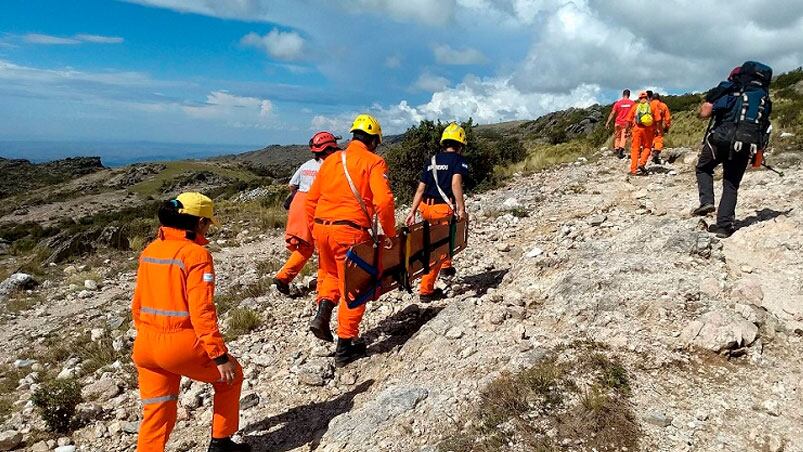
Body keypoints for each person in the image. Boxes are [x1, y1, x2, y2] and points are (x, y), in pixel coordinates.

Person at [132, 192, 250, 452]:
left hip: (145, 346)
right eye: (207, 222)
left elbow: (137, 304)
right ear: (199, 224)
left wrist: (147, 334)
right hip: (180, 345)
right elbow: (202, 310)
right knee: (230, 377)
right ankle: (221, 443)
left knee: (157, 413)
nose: (208, 228)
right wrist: (219, 356)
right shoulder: (195, 254)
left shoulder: (150, 250)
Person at [305, 114, 396, 367]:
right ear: (375, 140)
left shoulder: (332, 160)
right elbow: (384, 201)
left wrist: (315, 230)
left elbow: (311, 200)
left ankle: (323, 312)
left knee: (331, 274)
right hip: (350, 232)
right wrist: (389, 234)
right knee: (358, 286)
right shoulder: (374, 162)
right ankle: (345, 346)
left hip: (322, 229)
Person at [692, 61, 773, 238]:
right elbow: (765, 128)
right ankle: (723, 226)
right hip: (746, 144)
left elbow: (705, 113)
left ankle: (707, 201)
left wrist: (708, 105)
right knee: (731, 184)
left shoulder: (731, 90)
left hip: (721, 139)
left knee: (703, 168)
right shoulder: (763, 99)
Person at [404, 123, 469, 302]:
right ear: (460, 144)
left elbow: (420, 189)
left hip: (426, 208)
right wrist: (461, 208)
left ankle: (447, 266)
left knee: (438, 240)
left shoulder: (432, 160)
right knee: (438, 249)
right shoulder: (458, 161)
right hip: (442, 209)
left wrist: (412, 211)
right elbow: (456, 184)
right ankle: (426, 290)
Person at [272, 132, 339, 294]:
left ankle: (283, 277)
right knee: (324, 245)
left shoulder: (307, 164)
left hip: (298, 204)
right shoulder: (330, 166)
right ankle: (325, 283)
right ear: (329, 149)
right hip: (315, 206)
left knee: (304, 247)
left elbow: (292, 185)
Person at [626, 91, 660, 175]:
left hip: (637, 129)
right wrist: (657, 129)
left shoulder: (635, 107)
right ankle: (642, 163)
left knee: (635, 149)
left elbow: (628, 120)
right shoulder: (652, 106)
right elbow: (658, 120)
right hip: (649, 130)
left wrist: (627, 130)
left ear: (639, 98)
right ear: (648, 98)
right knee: (647, 147)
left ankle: (633, 170)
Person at [605, 89, 635, 159]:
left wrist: (608, 122)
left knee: (617, 137)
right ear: (629, 95)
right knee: (623, 137)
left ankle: (617, 149)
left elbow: (612, 113)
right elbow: (635, 114)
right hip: (626, 123)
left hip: (617, 123)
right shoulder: (632, 103)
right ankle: (621, 152)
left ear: (623, 94)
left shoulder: (618, 103)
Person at [651, 93, 672, 164]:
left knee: (649, 140)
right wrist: (667, 127)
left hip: (648, 126)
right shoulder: (663, 105)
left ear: (652, 98)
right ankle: (656, 151)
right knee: (658, 140)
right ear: (659, 98)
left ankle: (646, 155)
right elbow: (668, 118)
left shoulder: (648, 105)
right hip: (658, 126)